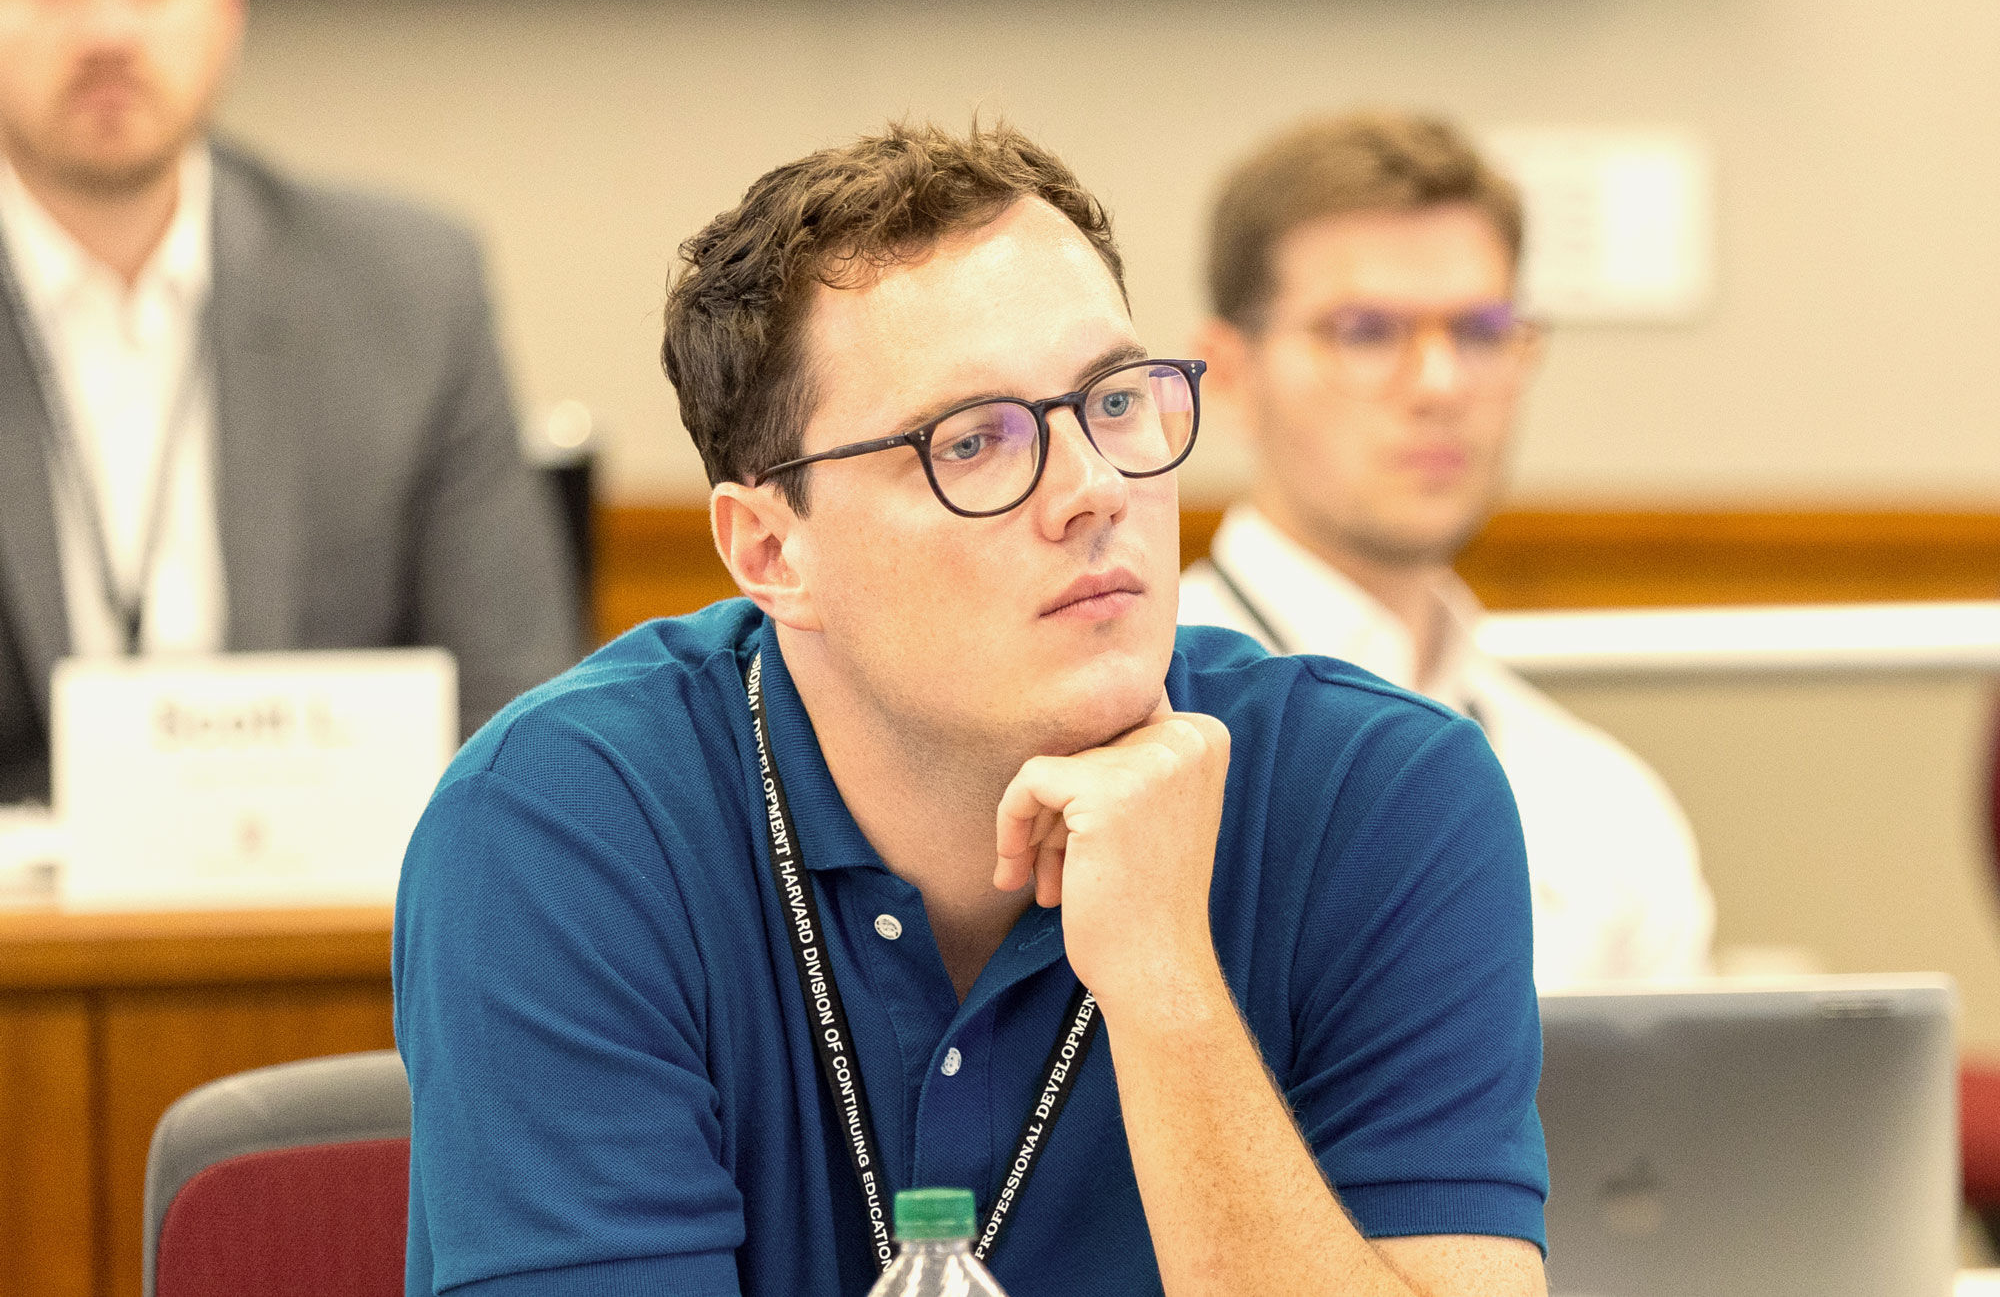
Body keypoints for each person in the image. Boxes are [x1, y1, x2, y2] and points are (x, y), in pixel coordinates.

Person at [395, 123, 1549, 1297]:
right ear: (770, 551)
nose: (1094, 489)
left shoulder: (1381, 796)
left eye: (1111, 402)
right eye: (972, 442)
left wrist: (1163, 986)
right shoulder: (560, 830)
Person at [0, 0, 576, 800]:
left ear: (222, 10)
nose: (105, 27)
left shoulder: (409, 293)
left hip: (332, 938)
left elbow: (517, 716)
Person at [1180, 111, 1713, 987]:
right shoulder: (1121, 724)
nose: (1440, 384)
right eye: (1365, 332)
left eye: (1479, 332)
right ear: (1230, 375)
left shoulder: (1608, 812)